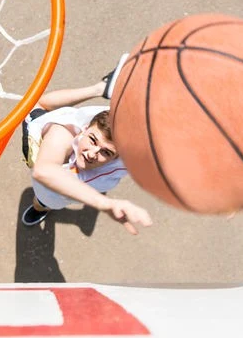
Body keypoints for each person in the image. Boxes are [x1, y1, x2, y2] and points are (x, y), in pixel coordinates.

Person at [19, 54, 152, 235]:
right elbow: (43, 171)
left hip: (88, 185)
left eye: (105, 152)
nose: (91, 153)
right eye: (92, 140)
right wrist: (104, 203)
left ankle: (106, 88)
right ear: (84, 129)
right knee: (43, 201)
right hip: (49, 184)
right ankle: (100, 88)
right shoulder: (62, 133)